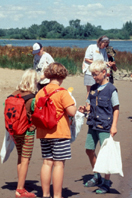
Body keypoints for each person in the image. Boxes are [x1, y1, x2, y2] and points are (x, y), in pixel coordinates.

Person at [35, 62, 76, 198]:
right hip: (60, 132)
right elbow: (72, 112)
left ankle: (45, 194)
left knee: (47, 162)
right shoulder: (62, 92)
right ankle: (57, 195)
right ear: (62, 76)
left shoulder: (40, 92)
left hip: (43, 132)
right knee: (59, 165)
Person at [79, 60, 119, 194]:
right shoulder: (93, 89)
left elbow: (116, 108)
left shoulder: (111, 89)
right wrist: (84, 109)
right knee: (89, 150)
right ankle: (97, 176)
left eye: (96, 74)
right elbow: (89, 105)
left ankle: (106, 182)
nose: (94, 77)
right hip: (92, 124)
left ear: (104, 72)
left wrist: (114, 126)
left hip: (105, 126)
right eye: (92, 75)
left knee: (106, 153)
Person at [11, 69, 39, 197]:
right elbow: (35, 114)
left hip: (14, 130)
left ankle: (20, 184)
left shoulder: (13, 94)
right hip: (27, 131)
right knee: (25, 159)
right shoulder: (31, 98)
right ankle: (20, 189)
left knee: (20, 156)